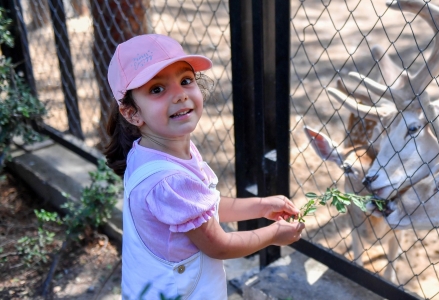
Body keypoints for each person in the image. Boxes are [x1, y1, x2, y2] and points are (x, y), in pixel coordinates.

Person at [103, 34, 305, 299]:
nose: (179, 95)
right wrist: (273, 234)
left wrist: (260, 205)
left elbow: (202, 207)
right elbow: (219, 246)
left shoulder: (148, 152)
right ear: (132, 113)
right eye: (157, 89)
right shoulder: (169, 179)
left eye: (185, 80)